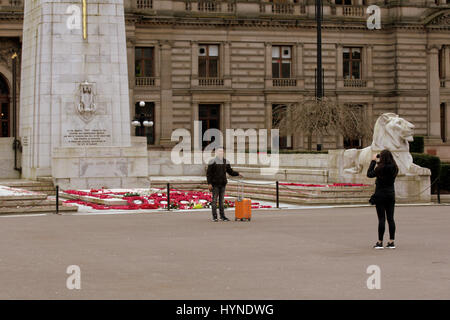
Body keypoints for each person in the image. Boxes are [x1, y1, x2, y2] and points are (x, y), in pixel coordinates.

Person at [367, 149, 399, 249]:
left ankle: (380, 242)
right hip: (390, 194)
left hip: (380, 195)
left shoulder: (379, 168)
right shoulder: (394, 167)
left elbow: (369, 174)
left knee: (381, 219)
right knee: (391, 219)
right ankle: (391, 241)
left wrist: (373, 161)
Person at [206, 147, 243, 222]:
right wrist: (209, 183)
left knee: (221, 201)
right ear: (216, 152)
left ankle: (222, 216)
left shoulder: (226, 161)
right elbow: (208, 174)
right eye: (219, 151)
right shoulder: (212, 161)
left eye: (222, 151)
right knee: (214, 201)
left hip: (223, 184)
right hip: (215, 184)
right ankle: (215, 216)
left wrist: (238, 174)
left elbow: (230, 172)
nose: (221, 153)